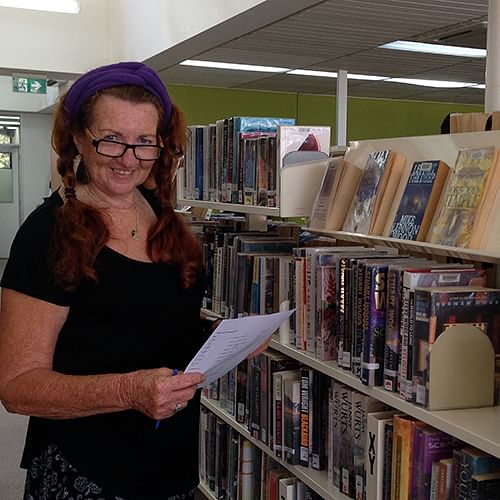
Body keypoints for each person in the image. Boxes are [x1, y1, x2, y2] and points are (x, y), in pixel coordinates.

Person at [0, 61, 266, 500]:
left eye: (145, 143)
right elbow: (17, 386)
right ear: (79, 140)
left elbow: (149, 329)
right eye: (112, 141)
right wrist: (129, 391)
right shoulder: (47, 233)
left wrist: (219, 339)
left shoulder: (163, 219)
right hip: (86, 470)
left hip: (170, 464)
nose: (129, 160)